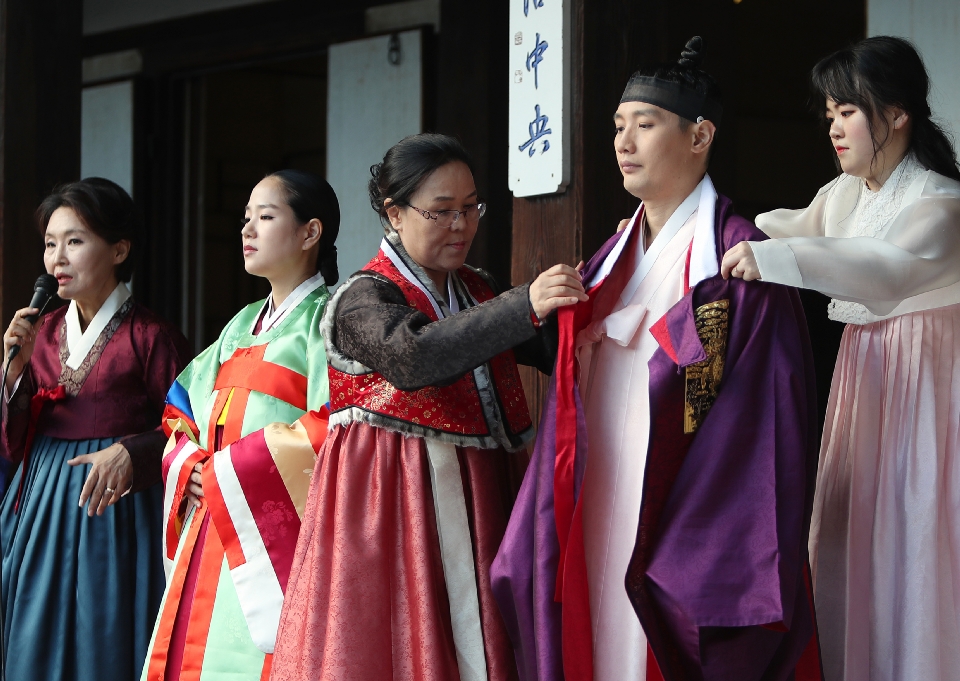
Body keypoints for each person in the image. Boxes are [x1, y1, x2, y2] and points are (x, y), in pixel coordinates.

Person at [492, 37, 823, 681]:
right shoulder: (613, 253)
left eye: (644, 125)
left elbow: (765, 410)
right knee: (594, 606)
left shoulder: (739, 256)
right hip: (601, 472)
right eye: (618, 127)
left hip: (682, 487)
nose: (624, 143)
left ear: (700, 136)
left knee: (649, 625)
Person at [269, 133, 585, 681]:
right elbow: (413, 356)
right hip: (394, 504)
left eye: (469, 209)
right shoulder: (361, 298)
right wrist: (524, 304)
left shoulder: (478, 290)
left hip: (482, 492)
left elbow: (552, 346)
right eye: (441, 211)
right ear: (394, 213)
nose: (461, 225)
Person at [721, 36, 960, 681]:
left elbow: (888, 270)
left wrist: (775, 260)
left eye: (847, 112)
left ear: (897, 114)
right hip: (865, 378)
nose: (834, 128)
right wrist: (721, 231)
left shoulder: (940, 201)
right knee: (853, 537)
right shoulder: (846, 195)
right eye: (828, 115)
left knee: (916, 532)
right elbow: (791, 227)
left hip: (925, 387)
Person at [141, 170, 339, 681]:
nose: (247, 230)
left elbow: (338, 424)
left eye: (266, 217)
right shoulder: (240, 323)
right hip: (214, 515)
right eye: (246, 218)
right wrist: (193, 465)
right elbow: (180, 407)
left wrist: (234, 472)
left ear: (310, 232)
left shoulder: (329, 321)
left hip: (275, 534)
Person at [0, 178, 190, 681]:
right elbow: (16, 439)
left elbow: (186, 432)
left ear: (119, 249)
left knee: (105, 629)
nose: (56, 258)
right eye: (49, 243)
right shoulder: (42, 333)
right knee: (33, 627)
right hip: (42, 498)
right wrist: (14, 375)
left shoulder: (153, 337)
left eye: (74, 241)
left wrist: (134, 452)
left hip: (117, 507)